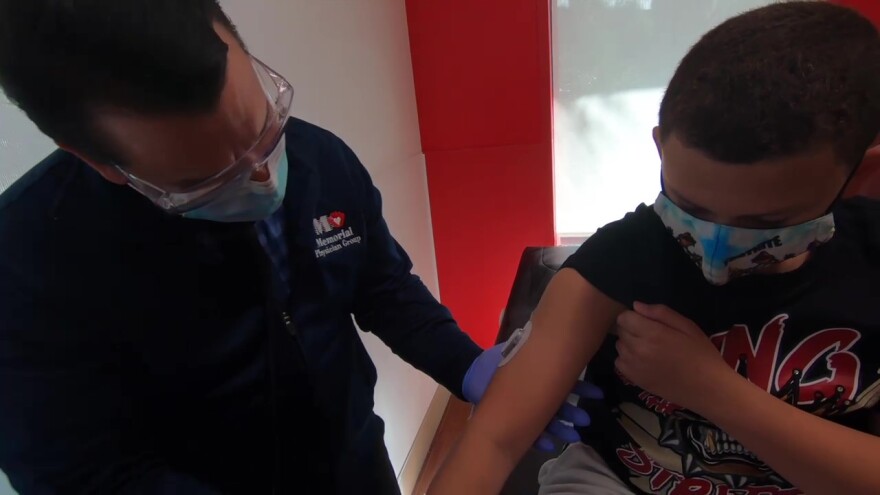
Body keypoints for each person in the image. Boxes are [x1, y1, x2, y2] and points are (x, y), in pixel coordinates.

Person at [0, 2, 597, 494]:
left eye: (263, 128)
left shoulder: (319, 158)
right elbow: (80, 475)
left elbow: (381, 285)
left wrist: (465, 365)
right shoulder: (27, 266)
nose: (262, 176)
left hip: (355, 461)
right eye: (206, 179)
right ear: (98, 161)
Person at [429, 2, 880, 495]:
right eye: (688, 204)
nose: (716, 251)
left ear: (860, 176)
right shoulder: (621, 258)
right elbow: (493, 441)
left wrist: (711, 390)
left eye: (765, 223)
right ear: (661, 146)